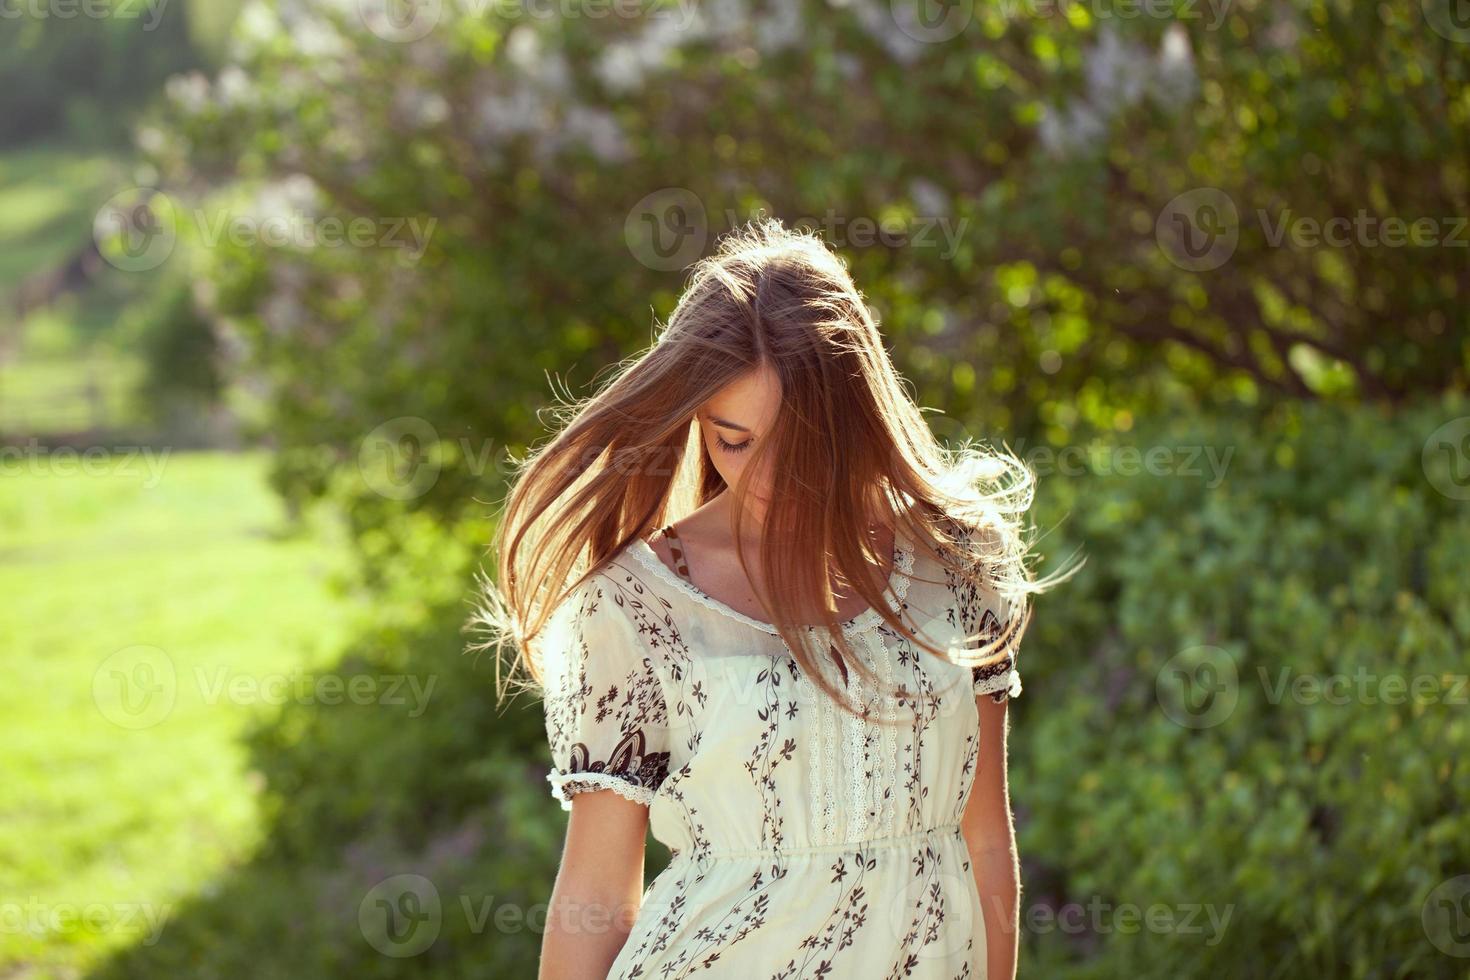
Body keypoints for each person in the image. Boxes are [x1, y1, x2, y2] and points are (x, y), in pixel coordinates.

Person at [474, 217, 1066, 979]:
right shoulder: (635, 603)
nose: (763, 479)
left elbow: (985, 838)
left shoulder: (953, 562)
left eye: (796, 442)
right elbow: (597, 892)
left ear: (855, 419)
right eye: (733, 440)